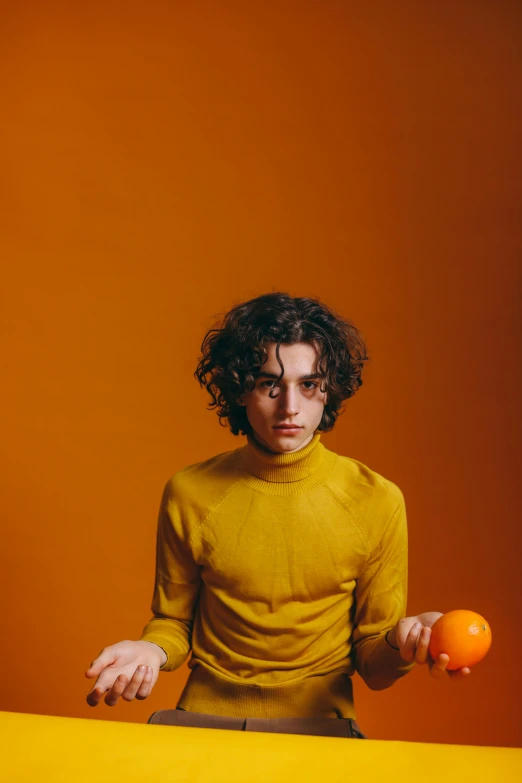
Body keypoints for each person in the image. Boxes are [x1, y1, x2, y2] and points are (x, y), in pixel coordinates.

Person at [85, 292, 470, 737]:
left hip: (322, 729)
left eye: (308, 385)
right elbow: (174, 622)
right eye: (270, 383)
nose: (290, 407)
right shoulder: (188, 492)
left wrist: (407, 642)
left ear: (330, 390)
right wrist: (149, 649)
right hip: (203, 722)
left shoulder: (377, 500)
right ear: (240, 389)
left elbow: (374, 664)